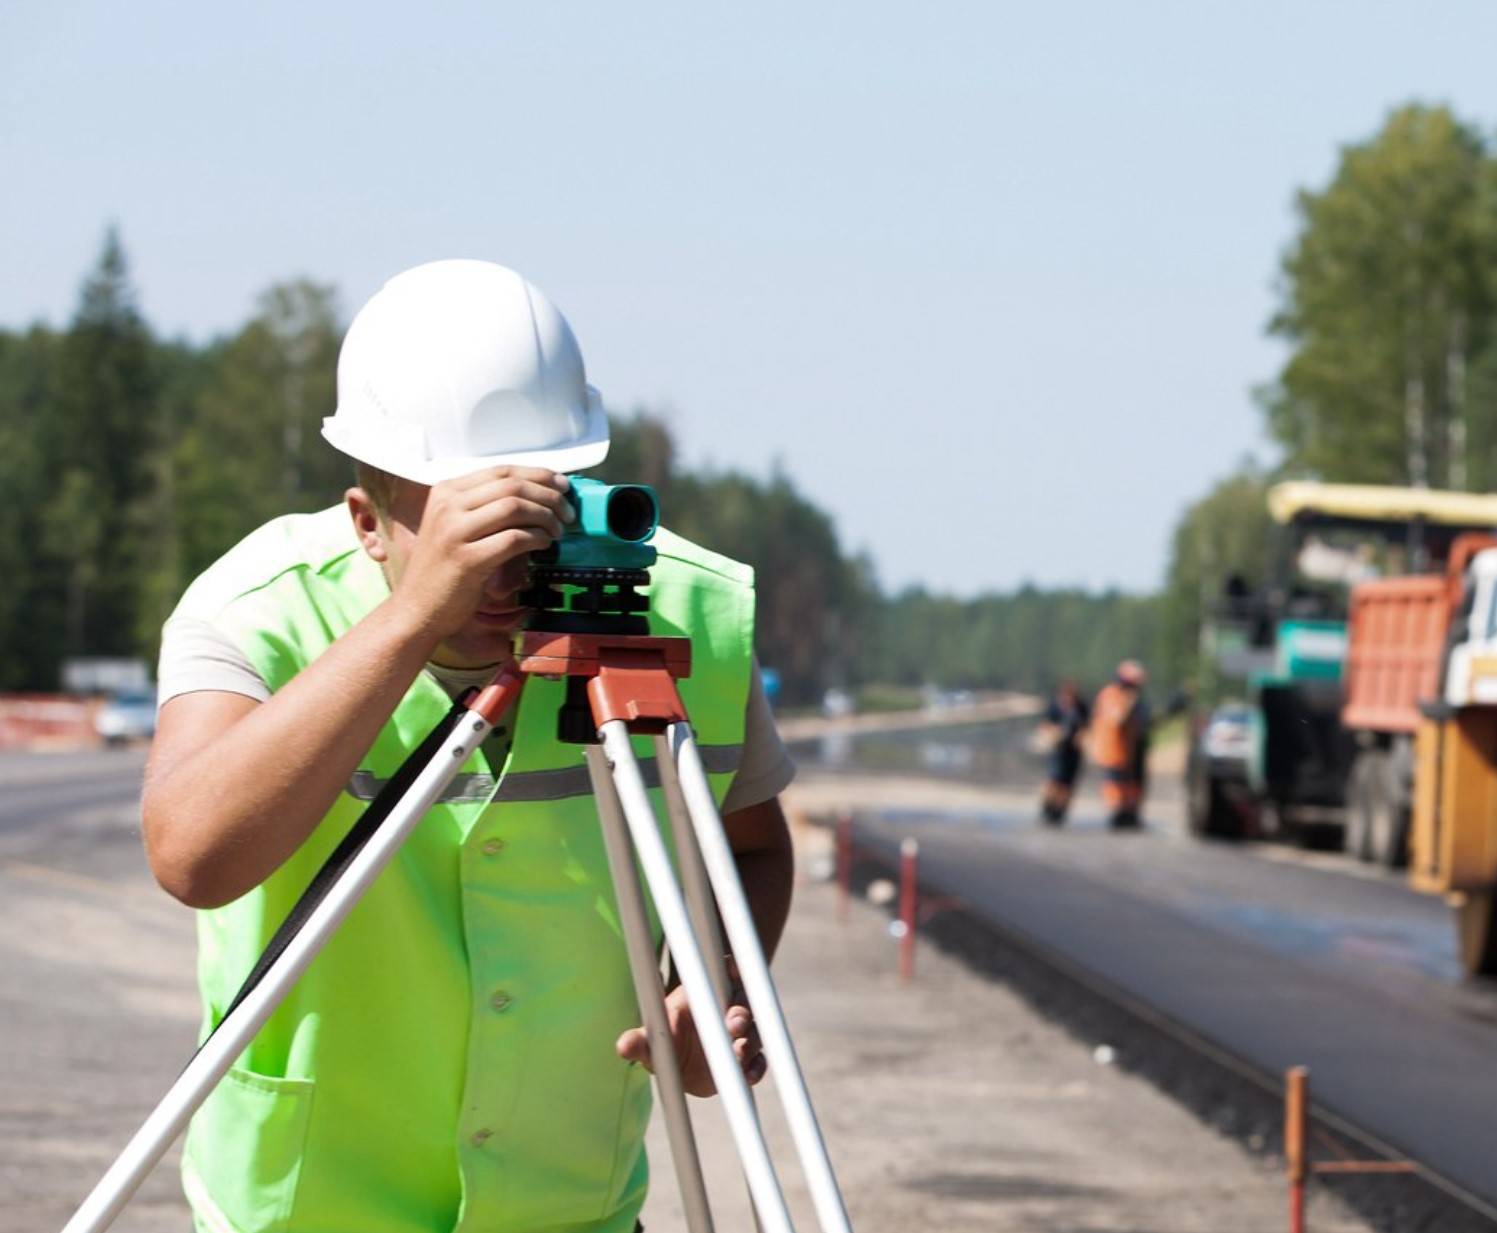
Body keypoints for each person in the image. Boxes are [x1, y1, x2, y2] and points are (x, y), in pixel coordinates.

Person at [143, 260, 795, 1233]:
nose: (505, 560)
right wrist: (411, 621)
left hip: (567, 1204)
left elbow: (747, 845)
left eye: (532, 506)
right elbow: (193, 854)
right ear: (369, 522)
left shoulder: (679, 610)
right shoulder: (261, 610)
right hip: (311, 1206)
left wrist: (718, 987)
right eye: (458, 516)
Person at [1090, 659, 1150, 829]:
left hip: (1125, 752)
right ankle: (1118, 813)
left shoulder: (1127, 697)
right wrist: (1130, 703)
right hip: (1113, 751)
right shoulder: (1112, 695)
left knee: (1127, 786)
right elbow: (1118, 720)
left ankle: (1127, 814)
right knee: (1115, 786)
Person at [1037, 678, 1089, 824]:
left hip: (1073, 751)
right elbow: (1044, 725)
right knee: (1054, 780)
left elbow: (1086, 726)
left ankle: (1060, 811)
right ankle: (1048, 807)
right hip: (1058, 750)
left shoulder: (1081, 707)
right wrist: (1055, 733)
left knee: (1068, 783)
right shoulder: (1055, 706)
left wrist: (1082, 736)